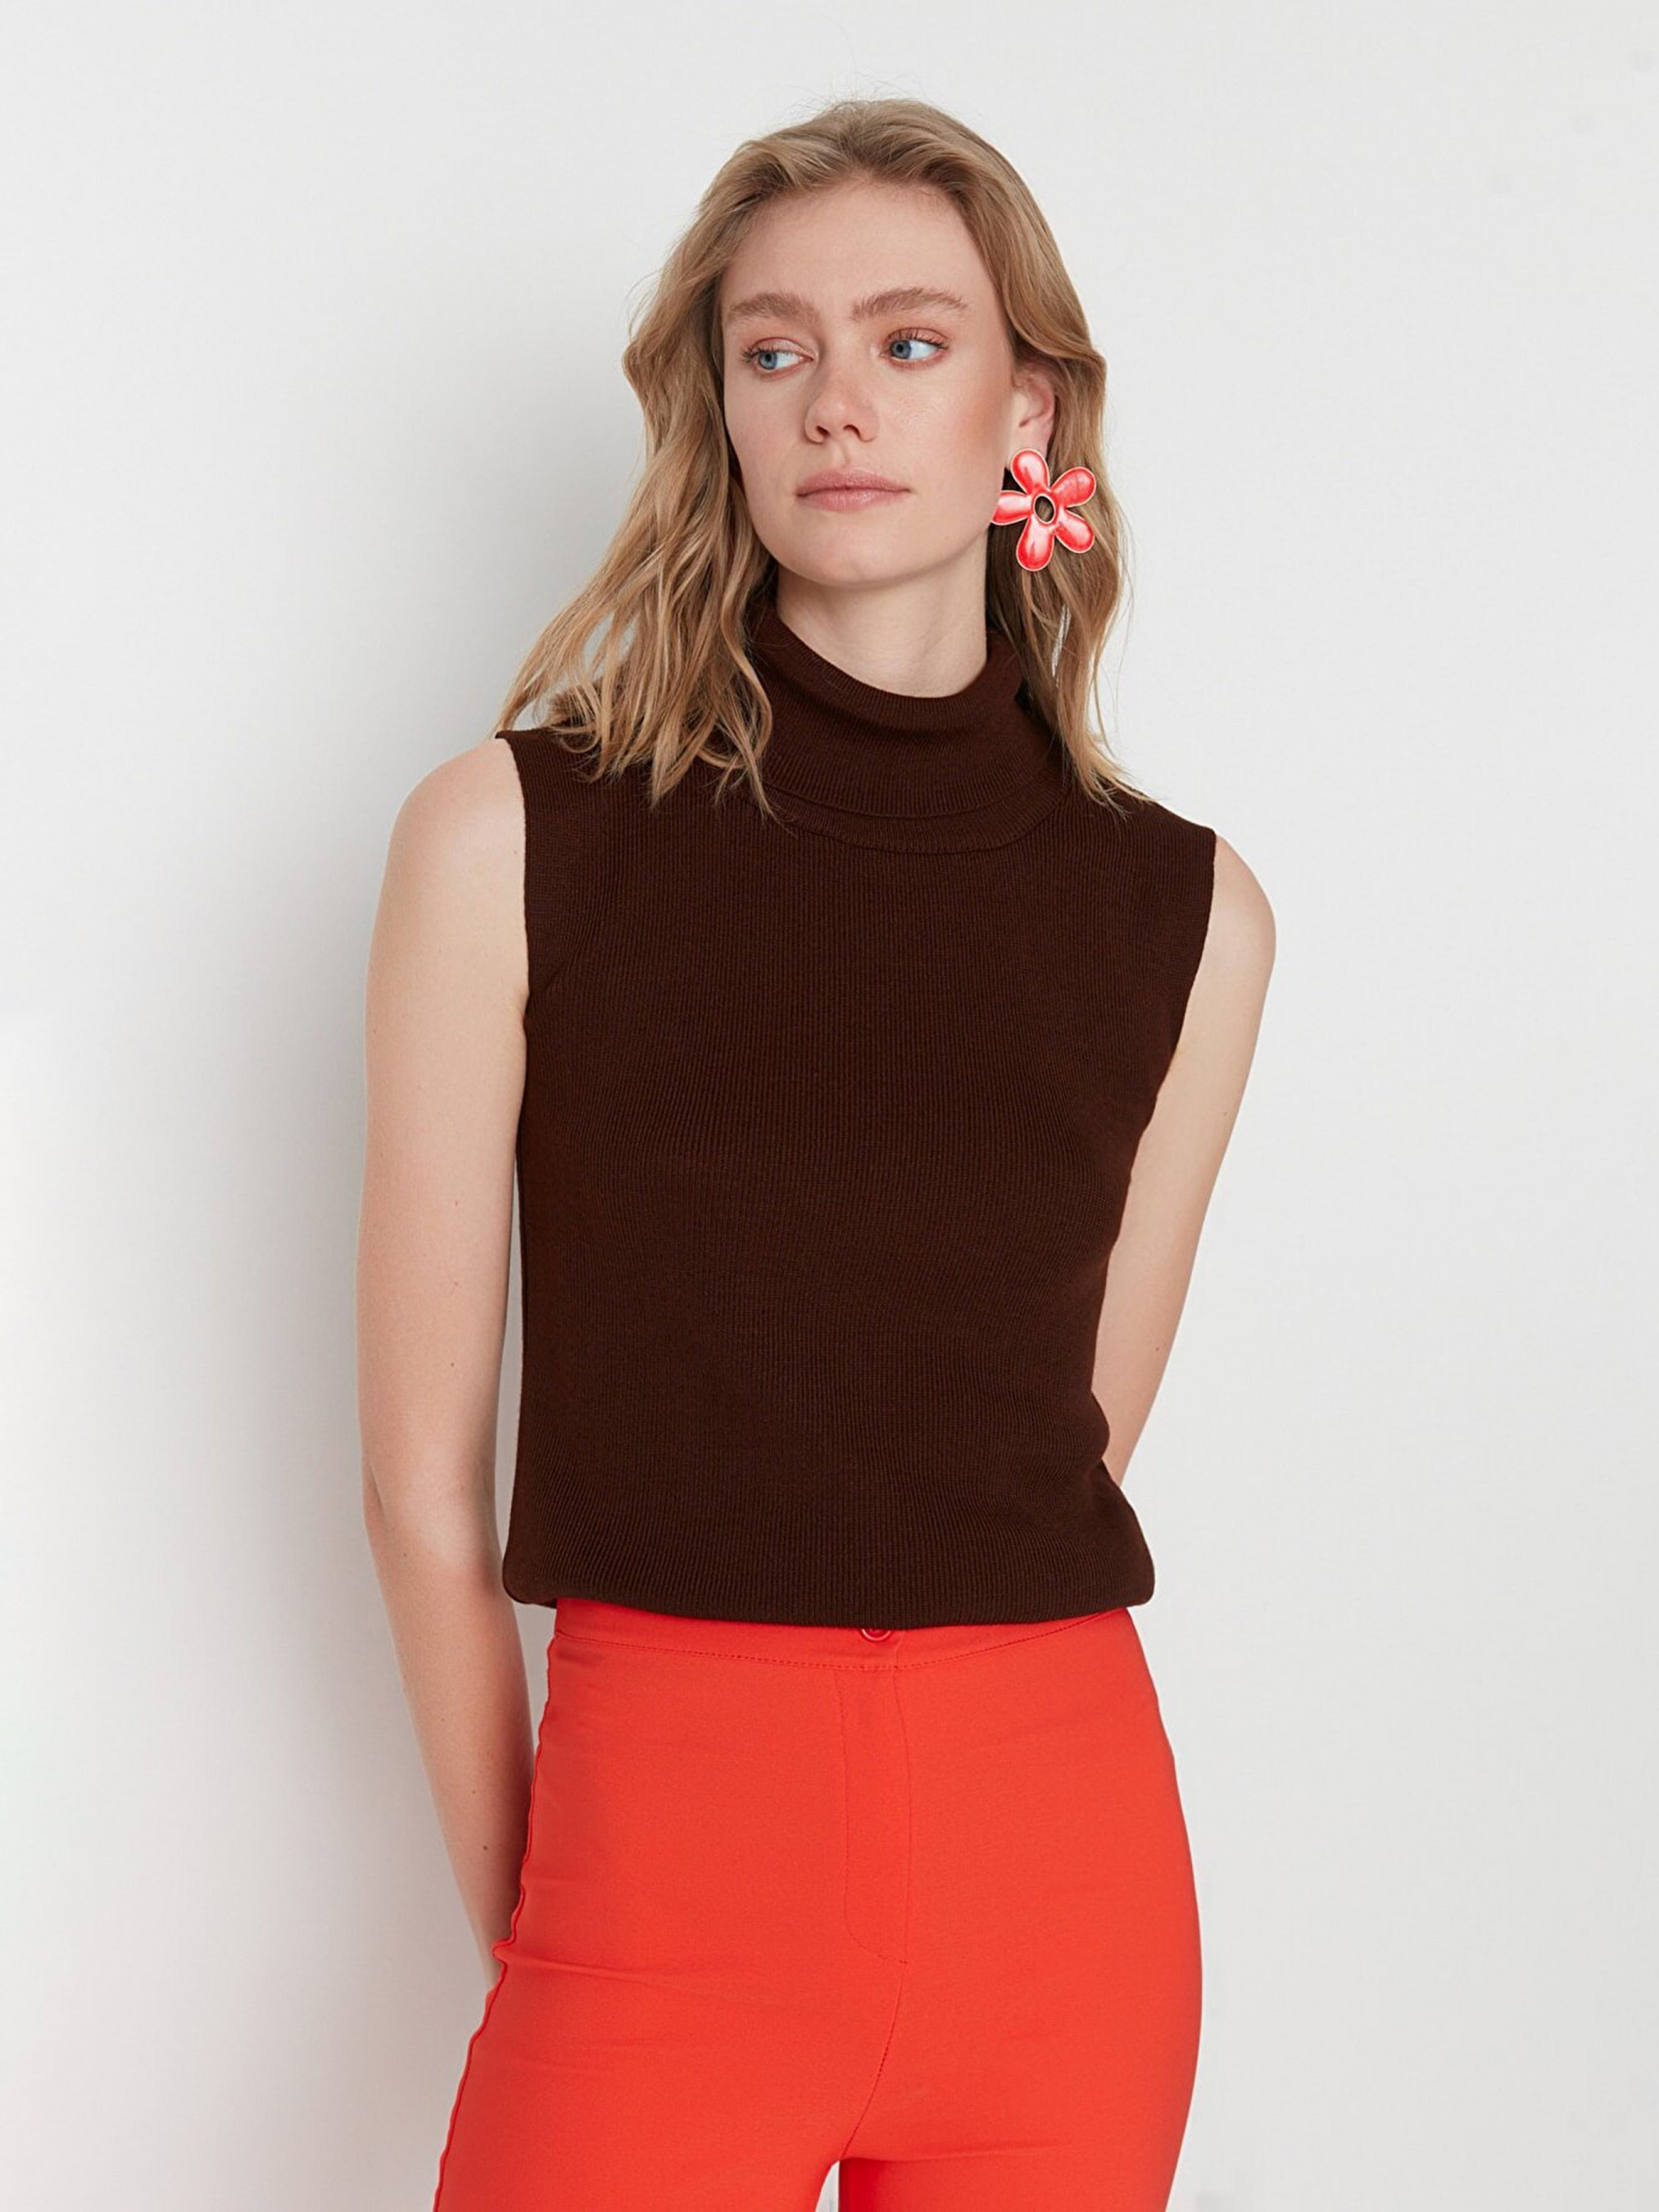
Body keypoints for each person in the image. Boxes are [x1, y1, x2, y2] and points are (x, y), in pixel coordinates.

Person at [357, 94, 1275, 2212]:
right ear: (722, 408)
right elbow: (418, 1480)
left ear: (1027, 408)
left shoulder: (1189, 916)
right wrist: (549, 1907)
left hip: (1061, 1892)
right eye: (774, 349)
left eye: (908, 341)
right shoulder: (510, 840)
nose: (835, 400)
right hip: (657, 1865)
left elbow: (1063, 1437)